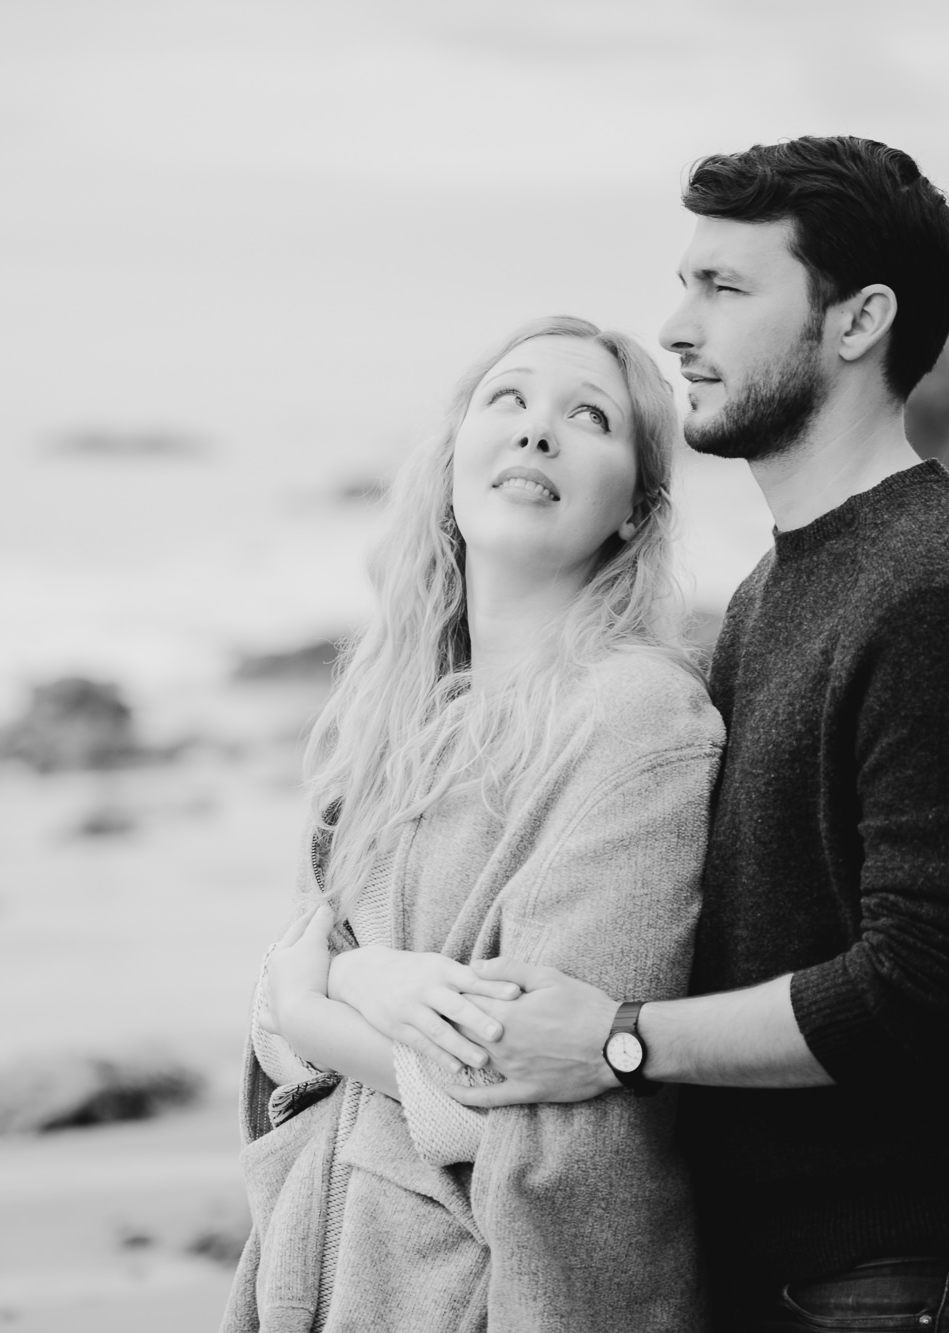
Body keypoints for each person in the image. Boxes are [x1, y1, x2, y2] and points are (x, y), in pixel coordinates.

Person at [332, 138, 949, 1330]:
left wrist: (620, 1044)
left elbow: (934, 991)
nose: (676, 330)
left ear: (857, 321)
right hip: (785, 1259)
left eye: (724, 289)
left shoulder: (929, 590)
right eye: (683, 284)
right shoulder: (776, 591)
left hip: (908, 1262)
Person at [224, 315, 726, 1333]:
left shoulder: (635, 720)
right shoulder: (391, 722)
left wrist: (331, 1011)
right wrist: (364, 982)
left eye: (587, 416)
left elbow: (555, 1089)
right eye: (508, 399)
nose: (536, 431)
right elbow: (271, 1017)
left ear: (635, 510)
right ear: (453, 457)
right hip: (315, 1272)